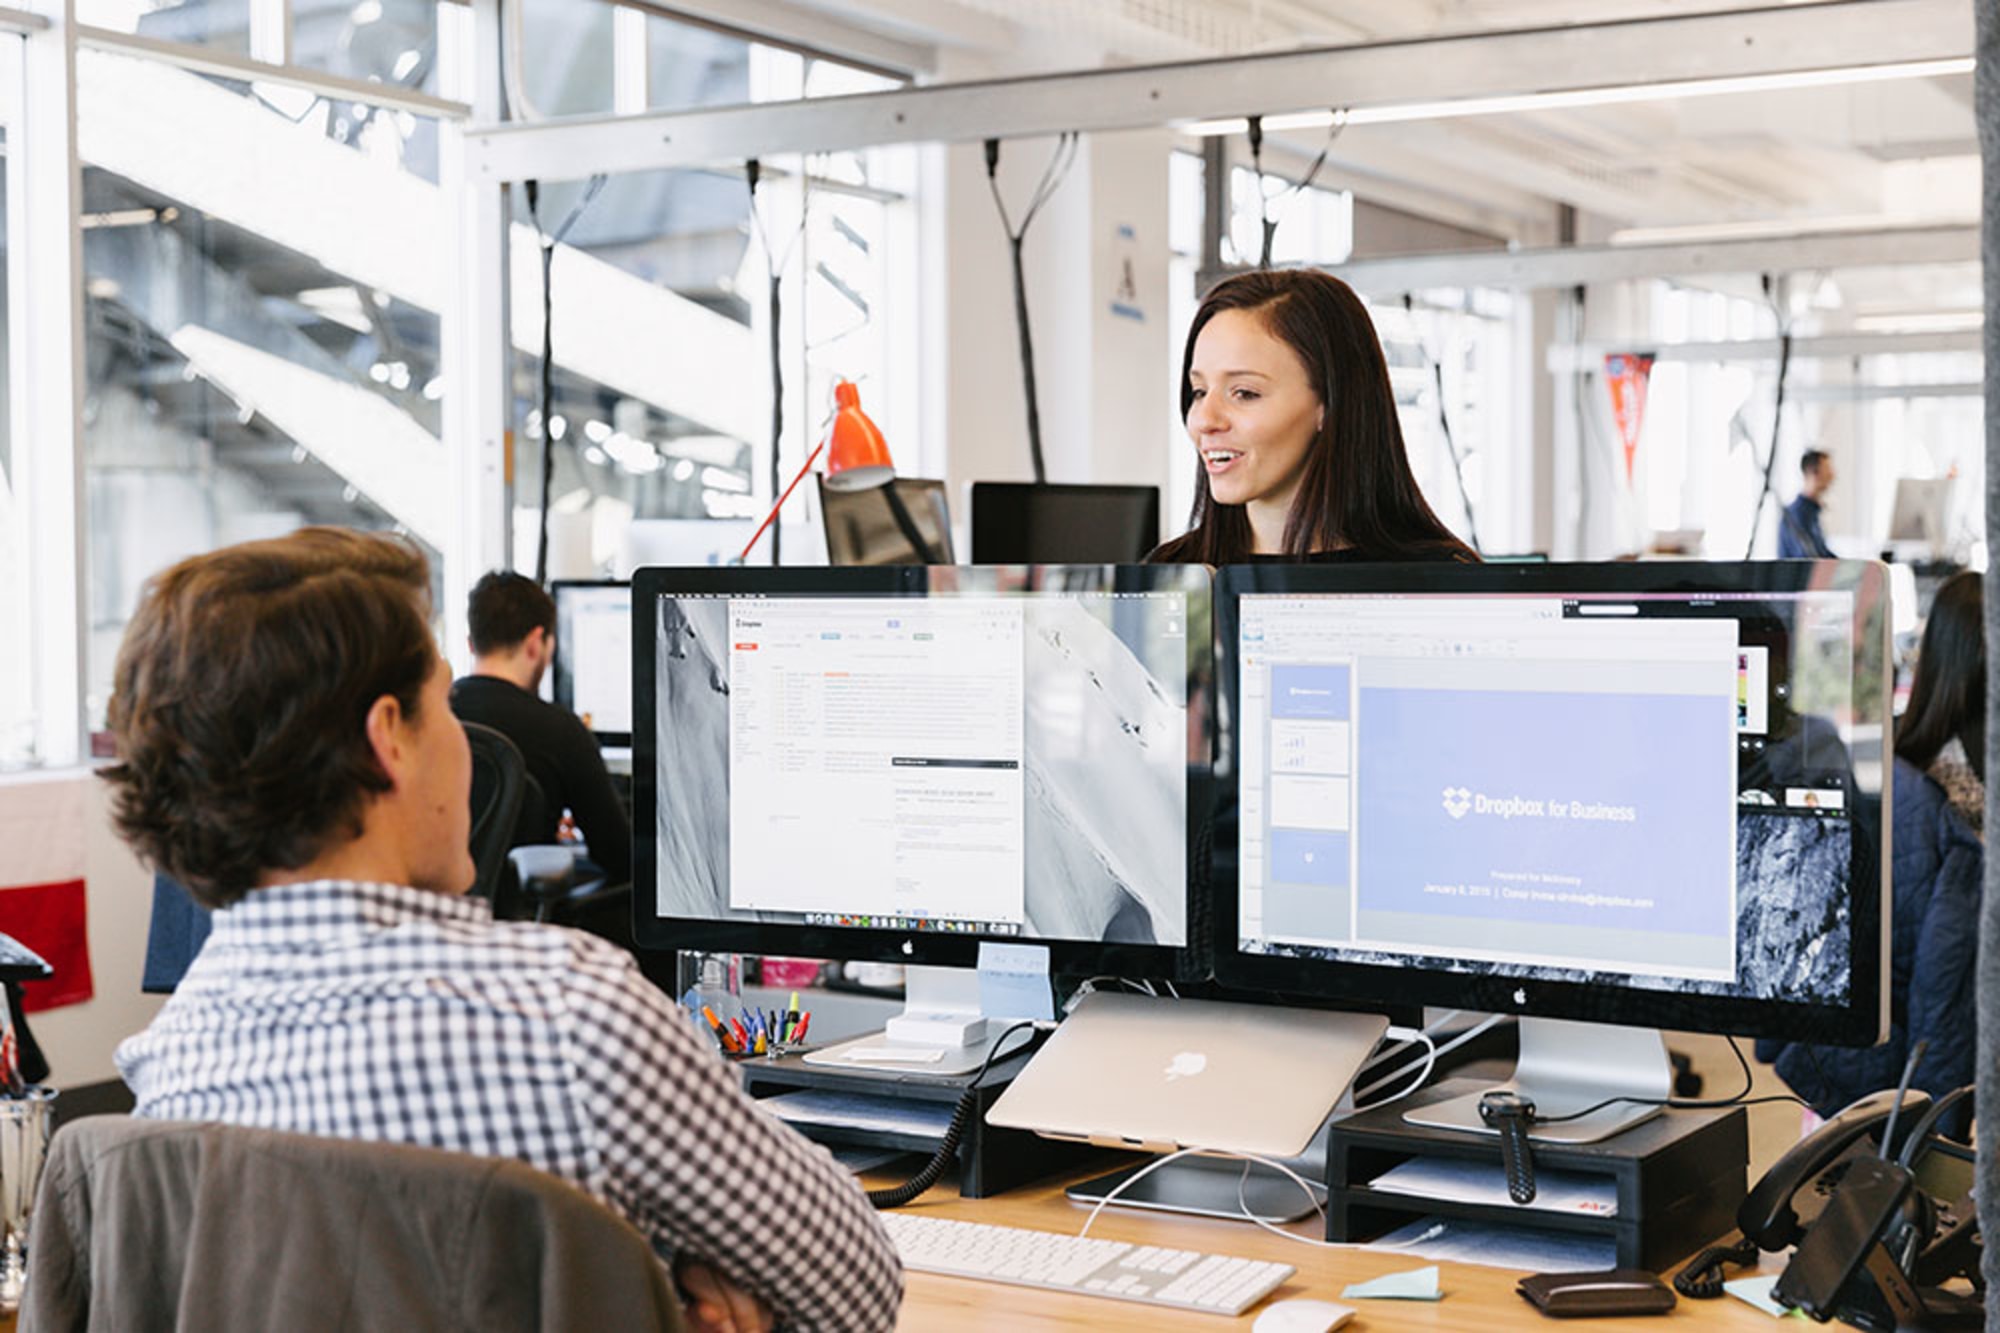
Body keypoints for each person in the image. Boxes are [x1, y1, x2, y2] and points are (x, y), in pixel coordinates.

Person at [104, 528, 901, 1333]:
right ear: (391, 740)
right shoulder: (572, 1017)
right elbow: (858, 1285)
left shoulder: (167, 1075)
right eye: (444, 702)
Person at [1760, 570, 1983, 1115]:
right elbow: (1943, 990)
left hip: (1848, 1050)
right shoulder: (1952, 808)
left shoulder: (1888, 773)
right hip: (1912, 1065)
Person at [1148, 268, 1475, 564]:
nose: (1205, 420)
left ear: (1331, 403)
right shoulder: (1168, 575)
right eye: (1199, 392)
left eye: (1244, 393)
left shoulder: (1441, 578)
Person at [450, 570, 632, 886]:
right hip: (524, 924)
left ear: (471, 644)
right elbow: (619, 856)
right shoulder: (561, 730)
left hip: (439, 912)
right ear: (537, 643)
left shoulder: (434, 716)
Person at [1777, 448, 1836, 559]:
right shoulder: (1794, 515)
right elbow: (1808, 560)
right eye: (1827, 470)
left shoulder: (1812, 513)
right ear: (1812, 473)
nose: (1832, 476)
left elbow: (1823, 554)